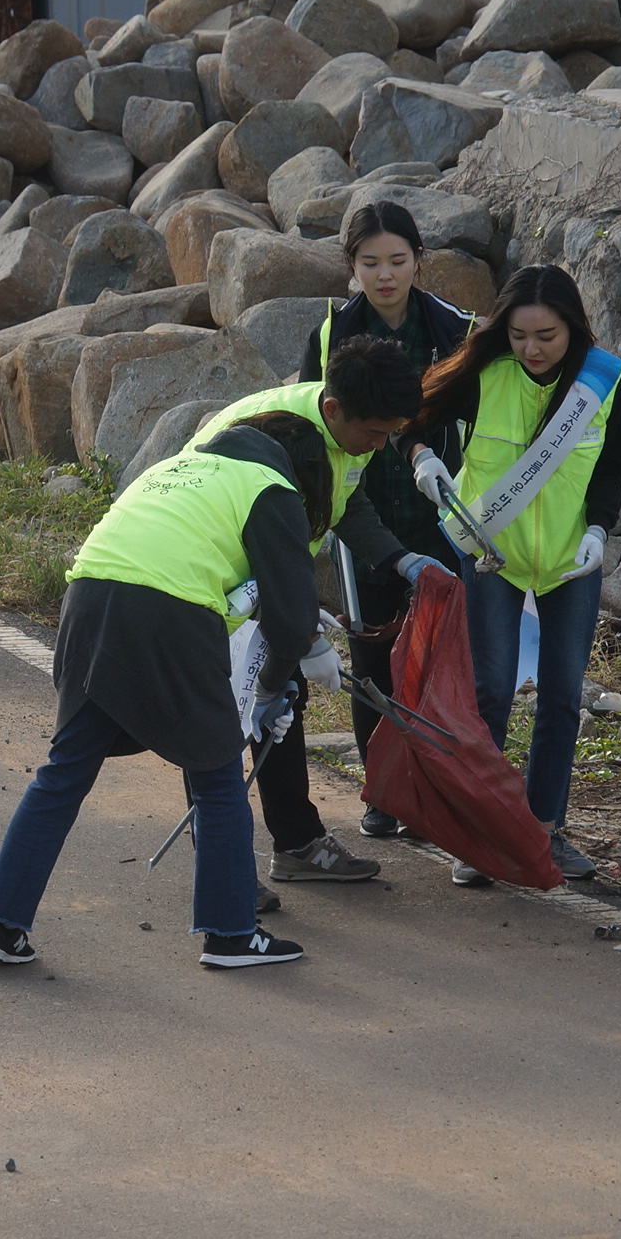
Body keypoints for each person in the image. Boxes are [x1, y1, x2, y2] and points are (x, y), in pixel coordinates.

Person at [0, 410, 332, 972]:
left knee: (63, 772)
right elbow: (291, 622)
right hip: (167, 614)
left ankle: (0, 922)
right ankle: (232, 934)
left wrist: (266, 684)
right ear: (303, 469)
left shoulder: (178, 467)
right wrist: (271, 691)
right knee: (217, 778)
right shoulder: (272, 486)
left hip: (88, 600)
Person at [409, 265, 621, 885]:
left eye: (547, 336)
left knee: (562, 697)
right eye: (518, 336)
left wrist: (600, 528)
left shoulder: (607, 380)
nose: (531, 349)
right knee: (492, 692)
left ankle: (543, 831)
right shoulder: (482, 372)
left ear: (575, 329)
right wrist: (424, 457)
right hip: (492, 551)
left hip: (570, 558)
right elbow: (414, 414)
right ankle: (478, 833)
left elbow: (612, 466)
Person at [186, 334, 436, 890]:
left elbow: (346, 506)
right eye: (374, 432)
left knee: (278, 705)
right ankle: (224, 878)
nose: (378, 445)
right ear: (333, 410)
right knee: (220, 717)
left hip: (256, 573)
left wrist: (399, 560)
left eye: (389, 434)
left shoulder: (345, 431)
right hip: (210, 573)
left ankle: (296, 843)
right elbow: (266, 550)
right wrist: (303, 634)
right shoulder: (284, 434)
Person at [299, 201, 474, 840]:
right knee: (372, 650)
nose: (385, 275)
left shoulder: (453, 329)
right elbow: (308, 425)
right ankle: (380, 792)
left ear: (419, 261)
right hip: (361, 510)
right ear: (351, 267)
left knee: (435, 650)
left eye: (398, 261)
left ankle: (430, 784)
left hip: (439, 507)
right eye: (370, 263)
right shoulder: (330, 331)